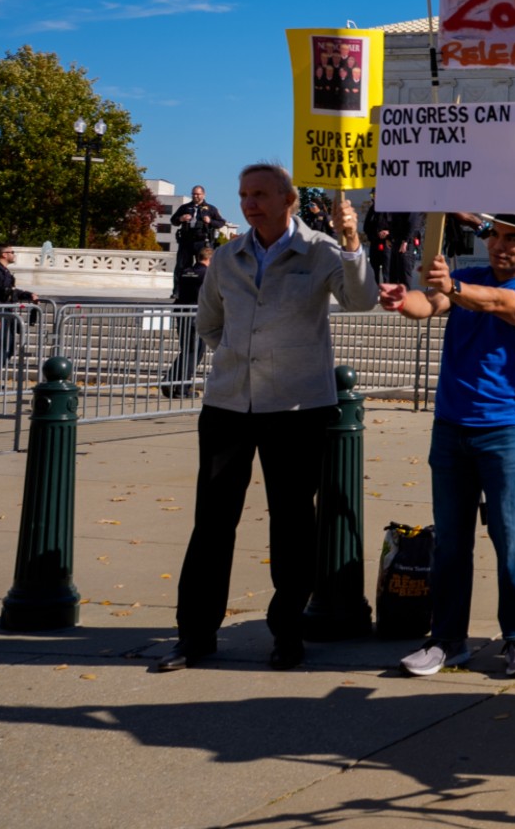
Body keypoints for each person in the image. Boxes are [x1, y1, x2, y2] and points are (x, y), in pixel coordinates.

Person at [156, 163, 377, 672]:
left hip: (297, 407)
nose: (249, 203)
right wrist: (239, 356)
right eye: (243, 195)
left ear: (288, 199)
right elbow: (210, 323)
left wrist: (352, 244)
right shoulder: (229, 256)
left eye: (259, 194)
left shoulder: (321, 249)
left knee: (293, 521)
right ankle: (195, 634)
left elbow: (361, 300)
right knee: (212, 521)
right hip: (229, 404)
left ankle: (287, 632)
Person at [382, 201, 515, 679]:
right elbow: (430, 304)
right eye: (496, 235)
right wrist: (404, 299)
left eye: (512, 238)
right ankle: (447, 640)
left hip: (502, 428)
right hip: (451, 426)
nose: (500, 245)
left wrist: (453, 286)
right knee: (452, 543)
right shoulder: (472, 274)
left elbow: (503, 306)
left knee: (510, 539)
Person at [0, 244, 36, 389]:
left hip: (5, 314)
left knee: (6, 348)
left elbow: (9, 292)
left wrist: (28, 295)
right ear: (4, 254)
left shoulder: (2, 271)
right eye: (12, 252)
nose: (14, 254)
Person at [161, 243, 212, 397]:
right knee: (195, 352)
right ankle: (181, 388)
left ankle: (171, 382)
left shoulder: (185, 272)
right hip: (197, 316)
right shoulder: (208, 274)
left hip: (182, 314)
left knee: (188, 351)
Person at [169, 185, 225, 289]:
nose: (196, 196)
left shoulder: (211, 209)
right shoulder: (185, 207)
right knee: (182, 267)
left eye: (198, 194)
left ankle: (206, 290)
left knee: (205, 267)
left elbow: (221, 223)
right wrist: (181, 218)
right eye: (194, 194)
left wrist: (210, 221)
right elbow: (173, 220)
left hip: (203, 242)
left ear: (203, 195)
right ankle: (178, 291)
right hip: (186, 241)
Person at [366, 195, 420, 288]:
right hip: (394, 241)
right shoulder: (393, 206)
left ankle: (406, 299)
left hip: (405, 243)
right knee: (393, 274)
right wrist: (389, 238)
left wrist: (405, 241)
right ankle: (392, 297)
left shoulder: (411, 205)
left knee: (404, 275)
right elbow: (392, 222)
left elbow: (411, 224)